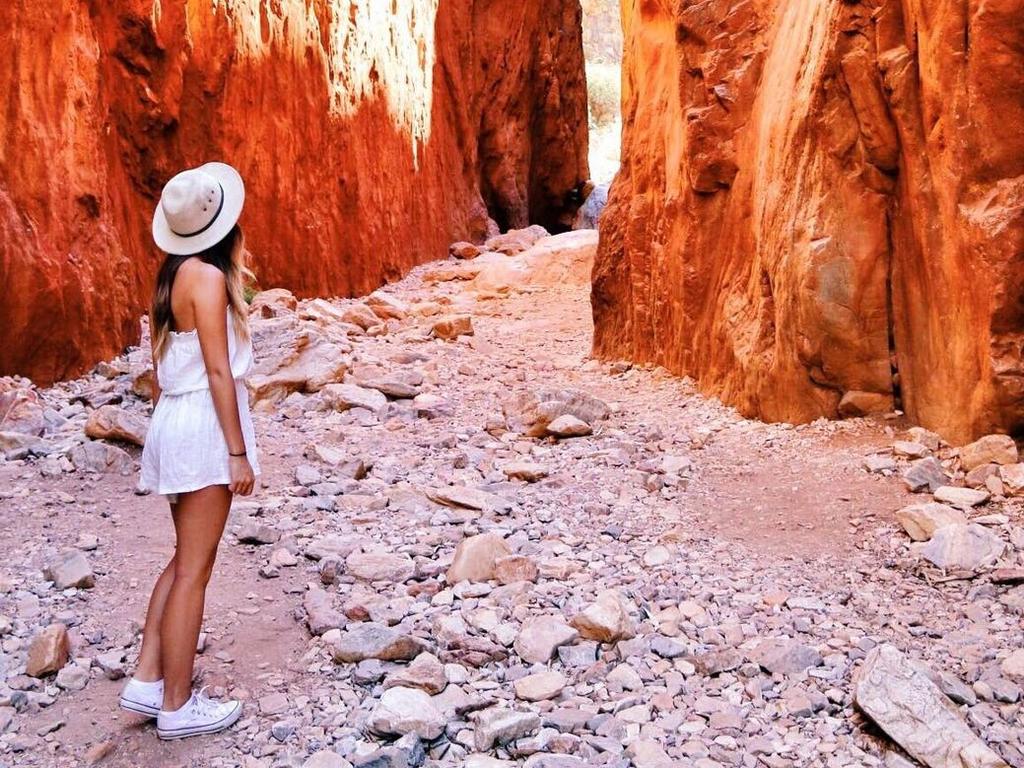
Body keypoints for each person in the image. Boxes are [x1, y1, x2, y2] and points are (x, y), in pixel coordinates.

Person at [118, 162, 260, 739]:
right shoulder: (205, 278)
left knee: (182, 560)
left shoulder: (173, 275)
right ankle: (177, 707)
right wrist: (237, 452)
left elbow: (162, 371)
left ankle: (147, 681)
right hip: (203, 425)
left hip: (174, 421)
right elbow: (220, 373)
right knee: (195, 572)